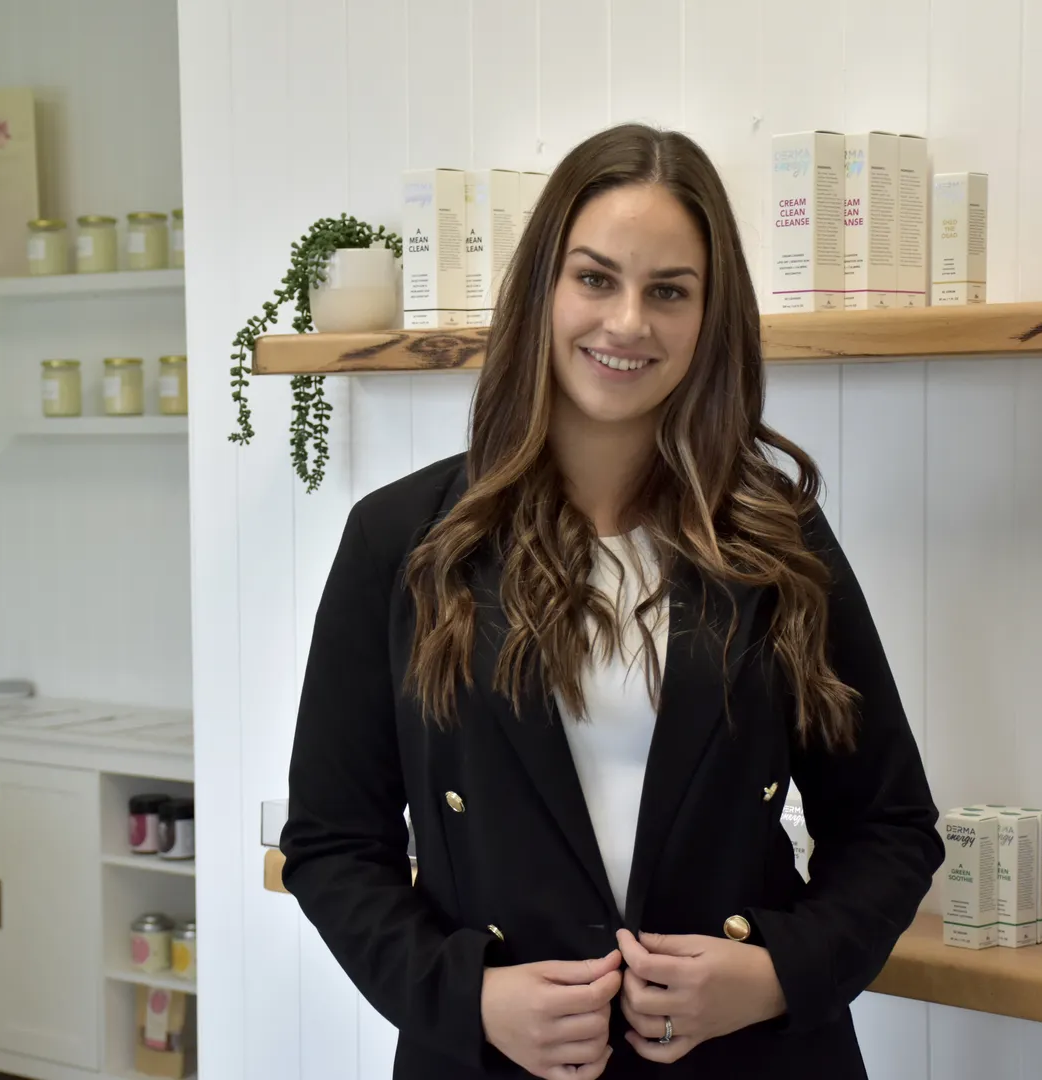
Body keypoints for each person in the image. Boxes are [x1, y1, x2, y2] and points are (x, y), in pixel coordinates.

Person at [280, 123, 943, 1079]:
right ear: (543, 290)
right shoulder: (403, 541)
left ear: (709, 319)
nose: (627, 322)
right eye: (596, 279)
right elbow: (333, 842)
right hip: (490, 1061)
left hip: (750, 1060)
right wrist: (465, 994)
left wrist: (775, 976)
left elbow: (888, 826)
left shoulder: (778, 539)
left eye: (668, 291)